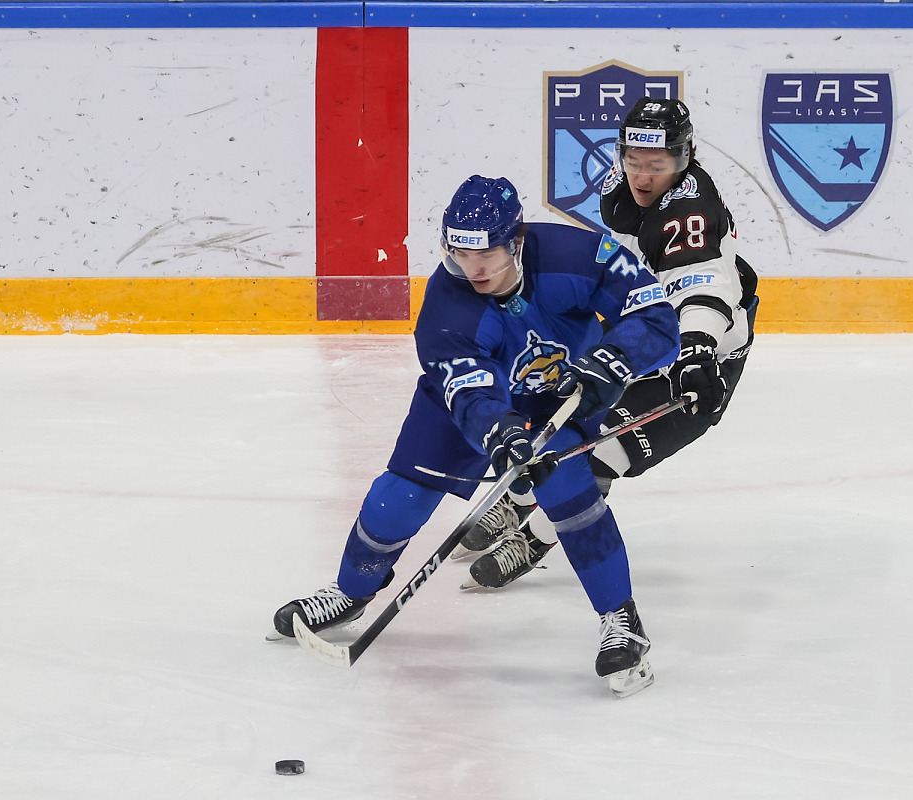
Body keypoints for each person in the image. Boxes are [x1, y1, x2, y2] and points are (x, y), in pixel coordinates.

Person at [271, 174, 680, 697]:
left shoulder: (579, 255)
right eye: (461, 254)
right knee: (399, 497)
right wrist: (497, 431)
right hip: (475, 405)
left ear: (516, 241)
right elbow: (468, 392)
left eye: (486, 254)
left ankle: (621, 620)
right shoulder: (448, 305)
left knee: (570, 495)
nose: (474, 269)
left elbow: (656, 318)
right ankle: (350, 592)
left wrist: (614, 360)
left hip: (560, 394)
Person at [460, 97, 759, 591]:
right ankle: (519, 502)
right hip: (640, 334)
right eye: (634, 161)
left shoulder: (690, 210)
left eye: (657, 165)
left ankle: (535, 538)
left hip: (701, 356)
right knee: (559, 419)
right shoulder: (620, 190)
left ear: (684, 158)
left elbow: (702, 284)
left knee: (605, 451)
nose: (642, 176)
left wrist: (697, 347)